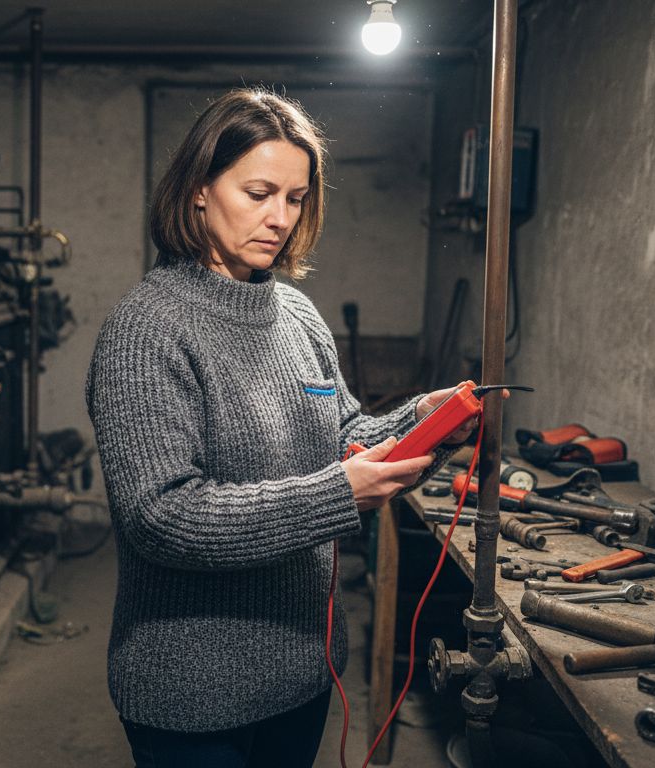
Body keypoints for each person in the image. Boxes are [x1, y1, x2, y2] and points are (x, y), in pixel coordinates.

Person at [85, 87, 473, 768]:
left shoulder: (296, 315)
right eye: (259, 192)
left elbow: (342, 433)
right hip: (193, 692)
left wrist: (425, 419)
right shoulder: (147, 330)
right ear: (199, 190)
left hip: (303, 668)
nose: (279, 218)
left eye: (294, 199)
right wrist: (337, 495)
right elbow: (161, 516)